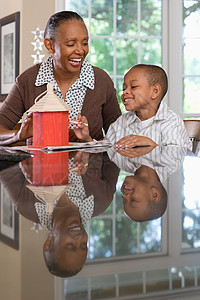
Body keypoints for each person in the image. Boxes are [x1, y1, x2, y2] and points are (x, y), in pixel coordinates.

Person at [0, 11, 121, 146]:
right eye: (71, 44)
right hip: (41, 166)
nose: (80, 50)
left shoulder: (101, 80)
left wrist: (89, 141)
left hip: (90, 167)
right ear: (50, 46)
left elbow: (118, 137)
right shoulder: (28, 80)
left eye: (85, 43)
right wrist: (18, 135)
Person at [73, 64, 191, 149]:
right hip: (130, 178)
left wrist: (151, 146)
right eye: (124, 88)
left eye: (133, 86)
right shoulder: (121, 123)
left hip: (161, 182)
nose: (125, 92)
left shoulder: (172, 123)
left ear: (155, 91)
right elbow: (107, 148)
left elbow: (179, 157)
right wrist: (86, 139)